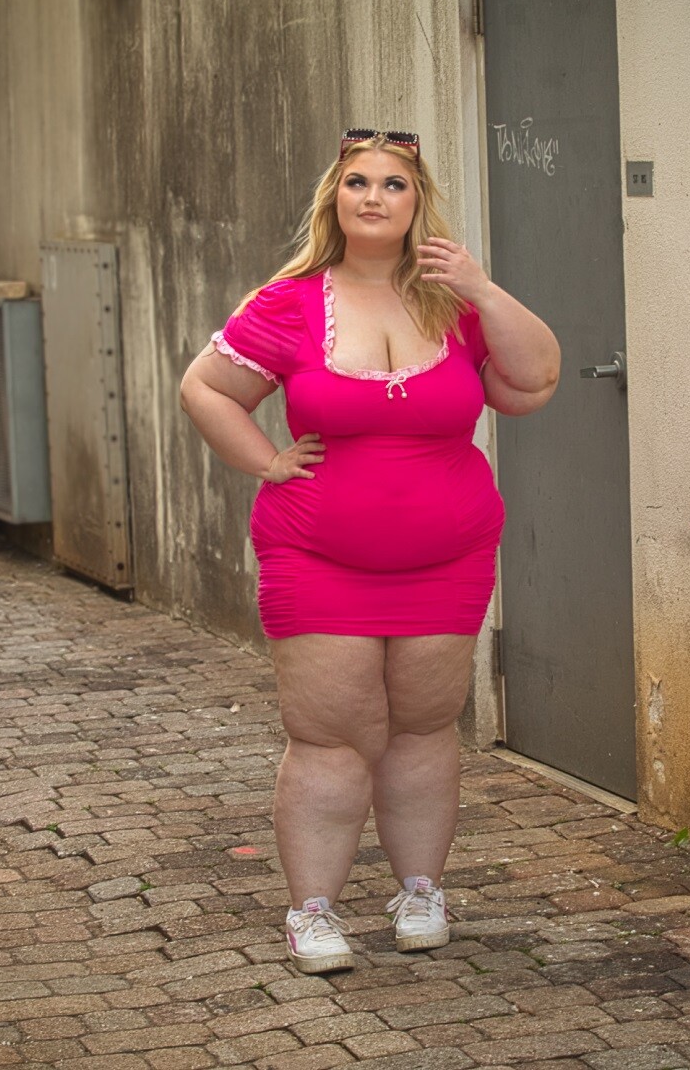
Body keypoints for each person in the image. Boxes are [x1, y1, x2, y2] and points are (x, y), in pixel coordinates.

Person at [178, 128, 559, 973]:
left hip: (448, 559)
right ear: (336, 199)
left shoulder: (456, 306)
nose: (374, 196)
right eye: (358, 182)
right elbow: (205, 387)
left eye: (394, 184)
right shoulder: (287, 303)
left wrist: (481, 286)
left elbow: (532, 384)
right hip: (316, 558)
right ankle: (312, 912)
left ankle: (422, 893)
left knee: (424, 725)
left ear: (418, 202)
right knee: (330, 734)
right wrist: (266, 461)